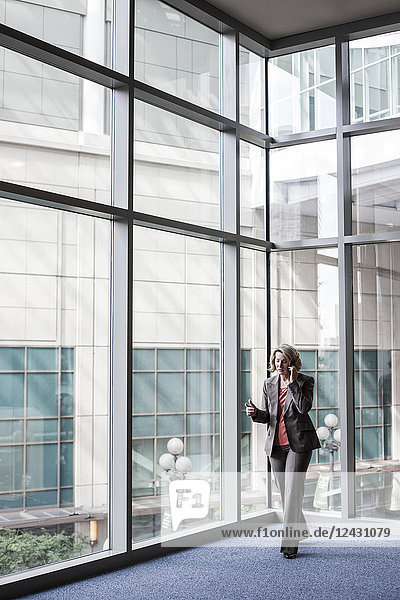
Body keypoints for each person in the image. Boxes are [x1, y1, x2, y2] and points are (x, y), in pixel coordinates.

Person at [245, 343, 320, 559]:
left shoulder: (305, 381)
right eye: (277, 360)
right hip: (275, 446)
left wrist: (293, 383)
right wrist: (255, 413)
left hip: (299, 444)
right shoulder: (268, 383)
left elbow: (304, 408)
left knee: (292, 492)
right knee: (286, 493)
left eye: (284, 360)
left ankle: (289, 544)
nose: (280, 364)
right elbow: (268, 416)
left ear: (292, 362)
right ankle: (300, 529)